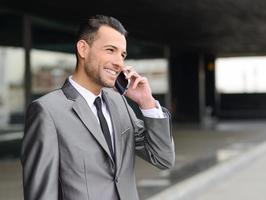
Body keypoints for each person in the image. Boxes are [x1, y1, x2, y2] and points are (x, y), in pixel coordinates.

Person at [21, 15, 175, 200]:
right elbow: (41, 194)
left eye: (122, 54)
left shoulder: (120, 103)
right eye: (110, 50)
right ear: (83, 49)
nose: (119, 62)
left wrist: (147, 103)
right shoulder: (47, 111)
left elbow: (163, 158)